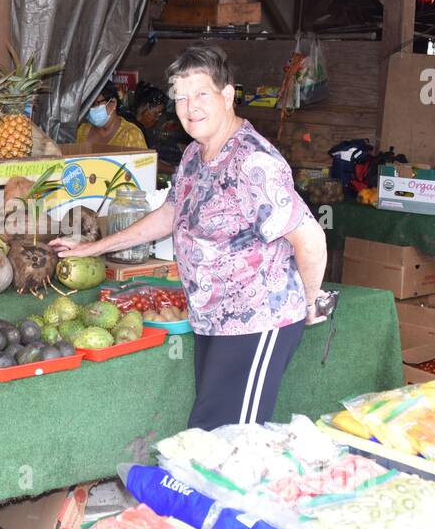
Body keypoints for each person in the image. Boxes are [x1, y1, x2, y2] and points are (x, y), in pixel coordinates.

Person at [52, 44, 330, 429]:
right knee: (212, 433)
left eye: (201, 94)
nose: (189, 106)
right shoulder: (194, 155)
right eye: (181, 97)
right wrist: (94, 247)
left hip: (257, 320)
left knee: (231, 438)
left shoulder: (254, 163)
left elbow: (311, 240)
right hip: (213, 319)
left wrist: (311, 303)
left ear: (227, 96)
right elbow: (168, 215)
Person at [75, 81, 147, 150]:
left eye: (95, 103)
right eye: (87, 105)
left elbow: (142, 162)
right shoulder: (81, 131)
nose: (91, 109)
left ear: (113, 103)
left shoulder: (131, 135)